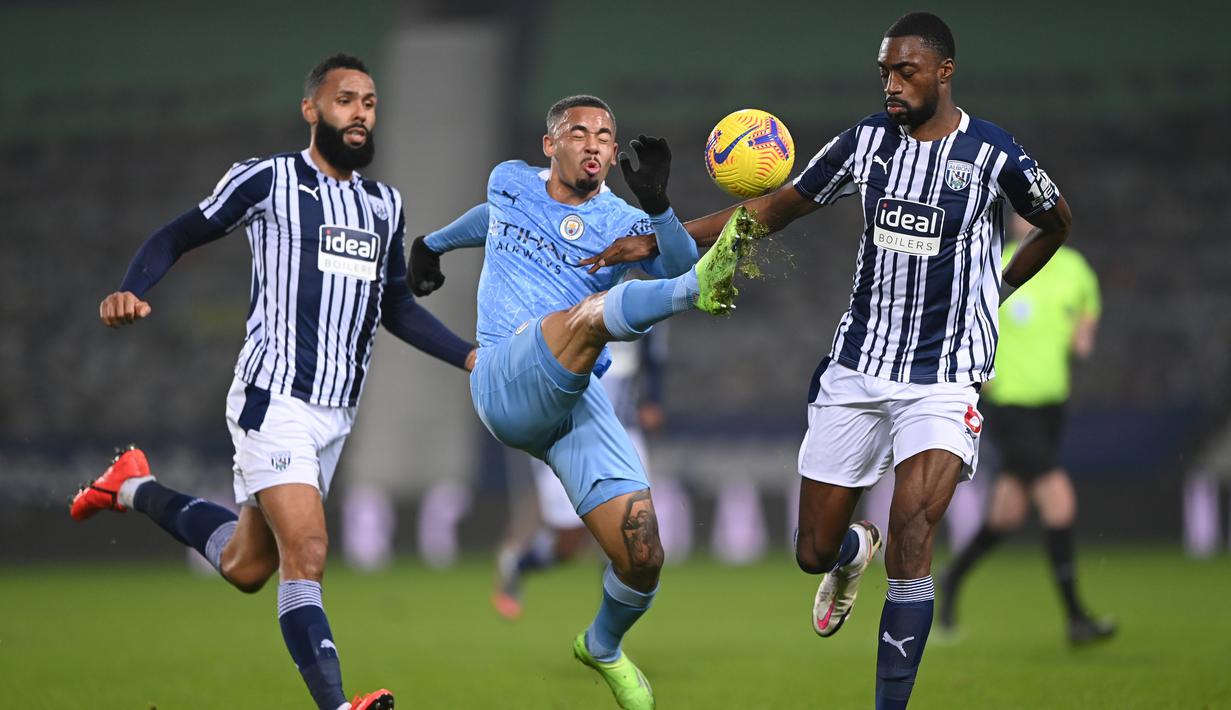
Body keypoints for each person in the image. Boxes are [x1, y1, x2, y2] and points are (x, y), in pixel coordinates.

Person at [581, 13, 1072, 708]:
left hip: (944, 377)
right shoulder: (866, 142)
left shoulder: (995, 155)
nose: (891, 85)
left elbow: (1056, 223)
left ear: (943, 72)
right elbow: (773, 209)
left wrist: (1002, 282)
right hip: (857, 368)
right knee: (811, 548)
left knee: (913, 534)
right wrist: (660, 239)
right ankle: (848, 554)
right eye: (884, 73)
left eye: (905, 72)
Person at [71, 53, 476, 710]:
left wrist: (470, 358)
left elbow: (394, 307)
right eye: (345, 100)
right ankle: (337, 706)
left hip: (336, 415)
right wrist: (129, 288)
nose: (360, 114)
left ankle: (132, 485)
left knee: (247, 566)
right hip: (274, 398)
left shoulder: (384, 206)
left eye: (369, 103)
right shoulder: (269, 180)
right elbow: (179, 233)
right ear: (311, 109)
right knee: (308, 550)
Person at [408, 94, 748, 709]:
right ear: (550, 144)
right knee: (593, 315)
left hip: (574, 397)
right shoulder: (509, 181)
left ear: (615, 154)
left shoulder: (620, 218)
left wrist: (660, 205)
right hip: (504, 375)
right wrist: (432, 245)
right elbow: (491, 218)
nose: (594, 144)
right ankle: (701, 295)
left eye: (606, 137)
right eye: (579, 132)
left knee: (643, 553)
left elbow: (673, 259)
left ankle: (603, 645)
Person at [938, 215, 1113, 645]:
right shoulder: (996, 266)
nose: (1024, 219)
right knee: (1058, 499)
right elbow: (965, 319)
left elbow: (1088, 305)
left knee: (1007, 513)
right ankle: (1076, 618)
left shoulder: (1073, 266)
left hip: (1053, 405)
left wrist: (1084, 331)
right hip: (1011, 406)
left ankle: (951, 579)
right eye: (1018, 212)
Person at [491, 331, 672, 621]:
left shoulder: (637, 298)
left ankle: (610, 632)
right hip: (569, 431)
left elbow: (654, 357)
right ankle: (519, 565)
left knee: (631, 533)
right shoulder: (562, 299)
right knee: (568, 544)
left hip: (623, 430)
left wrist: (654, 401)